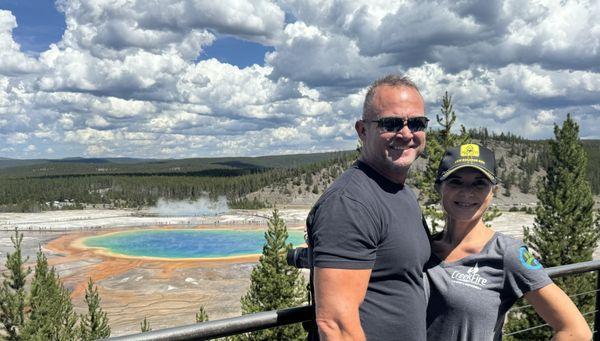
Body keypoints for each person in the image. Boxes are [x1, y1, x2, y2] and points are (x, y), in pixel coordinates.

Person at [306, 74, 431, 340]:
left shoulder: (400, 192)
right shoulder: (349, 203)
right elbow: (336, 326)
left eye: (417, 123)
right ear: (362, 130)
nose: (407, 133)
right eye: (391, 123)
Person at [426, 143, 592, 340]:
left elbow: (576, 331)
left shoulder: (507, 253)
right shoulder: (422, 246)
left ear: (493, 191)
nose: (467, 192)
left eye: (480, 183)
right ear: (439, 187)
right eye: (455, 181)